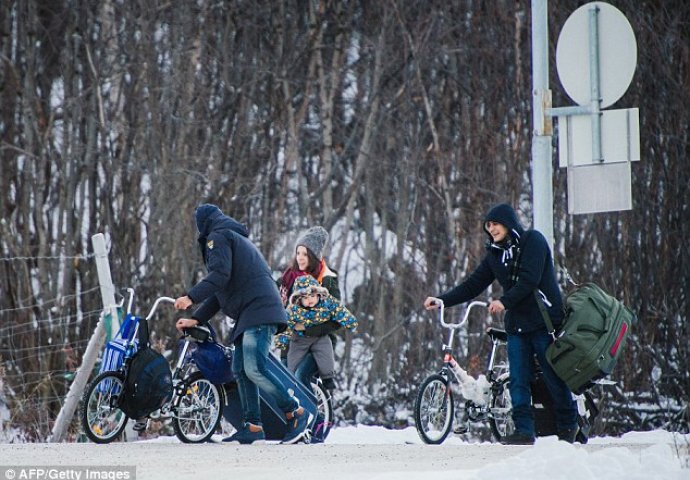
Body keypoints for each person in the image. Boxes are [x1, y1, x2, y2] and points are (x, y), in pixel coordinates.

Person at [423, 203, 578, 445]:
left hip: (542, 320)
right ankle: (524, 430)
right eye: (488, 225)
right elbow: (472, 285)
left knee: (551, 375)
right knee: (518, 378)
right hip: (517, 324)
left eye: (495, 223)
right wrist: (442, 300)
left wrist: (504, 301)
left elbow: (530, 280)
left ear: (508, 222)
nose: (491, 229)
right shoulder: (495, 255)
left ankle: (569, 425)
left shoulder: (533, 241)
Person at [174, 204, 313, 445]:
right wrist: (197, 318)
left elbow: (219, 277)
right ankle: (252, 427)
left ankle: (296, 412)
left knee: (254, 368)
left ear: (202, 224)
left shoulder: (218, 237)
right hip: (251, 312)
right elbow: (220, 291)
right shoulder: (231, 237)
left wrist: (190, 297)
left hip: (258, 310)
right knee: (240, 369)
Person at [277, 226, 342, 387]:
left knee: (300, 376)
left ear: (313, 256)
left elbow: (337, 319)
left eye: (305, 254)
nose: (300, 258)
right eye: (298, 253)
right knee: (284, 384)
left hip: (319, 343)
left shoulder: (327, 280)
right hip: (292, 343)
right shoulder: (288, 277)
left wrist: (307, 329)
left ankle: (314, 413)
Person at [276, 275, 358, 392]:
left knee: (325, 351)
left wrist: (351, 323)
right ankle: (290, 381)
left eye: (313, 296)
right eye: (305, 297)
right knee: (292, 363)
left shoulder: (327, 303)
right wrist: (281, 341)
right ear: (298, 299)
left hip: (319, 337)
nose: (310, 300)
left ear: (319, 294)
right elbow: (286, 325)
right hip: (300, 339)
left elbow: (340, 311)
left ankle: (327, 378)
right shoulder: (294, 310)